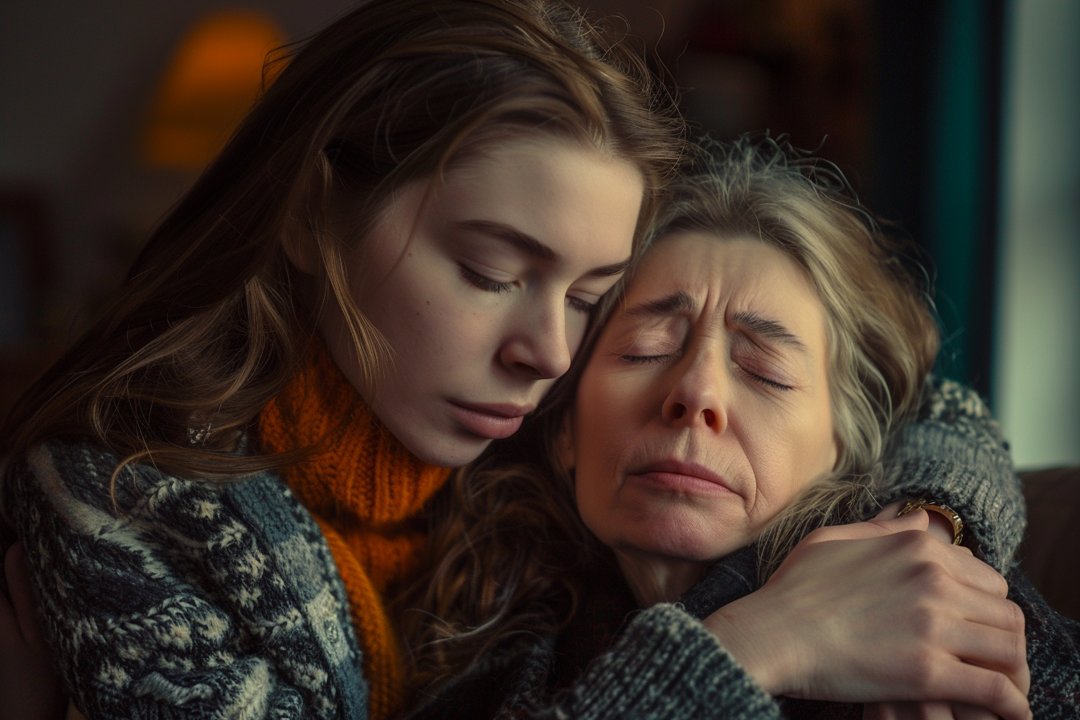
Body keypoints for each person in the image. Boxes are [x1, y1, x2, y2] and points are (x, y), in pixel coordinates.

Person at [0, 1, 683, 718]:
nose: (549, 353)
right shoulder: (114, 492)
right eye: (491, 272)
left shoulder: (561, 501)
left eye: (586, 298)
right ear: (309, 213)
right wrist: (733, 657)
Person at [402, 137, 1079, 718]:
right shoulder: (487, 644)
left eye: (766, 371)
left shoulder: (931, 613)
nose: (696, 393)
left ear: (842, 451)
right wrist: (748, 646)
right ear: (564, 430)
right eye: (646, 348)